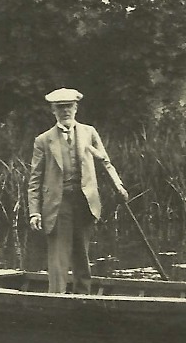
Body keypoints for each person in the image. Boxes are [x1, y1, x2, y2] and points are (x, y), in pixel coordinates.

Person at [27, 88, 127, 294]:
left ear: (76, 108)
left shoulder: (89, 132)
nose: (65, 111)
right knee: (58, 255)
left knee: (82, 252)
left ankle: (84, 297)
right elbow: (35, 179)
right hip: (57, 202)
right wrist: (34, 211)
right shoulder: (43, 140)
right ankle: (57, 297)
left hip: (84, 201)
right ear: (53, 111)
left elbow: (105, 162)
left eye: (69, 106)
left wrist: (118, 185)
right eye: (60, 107)